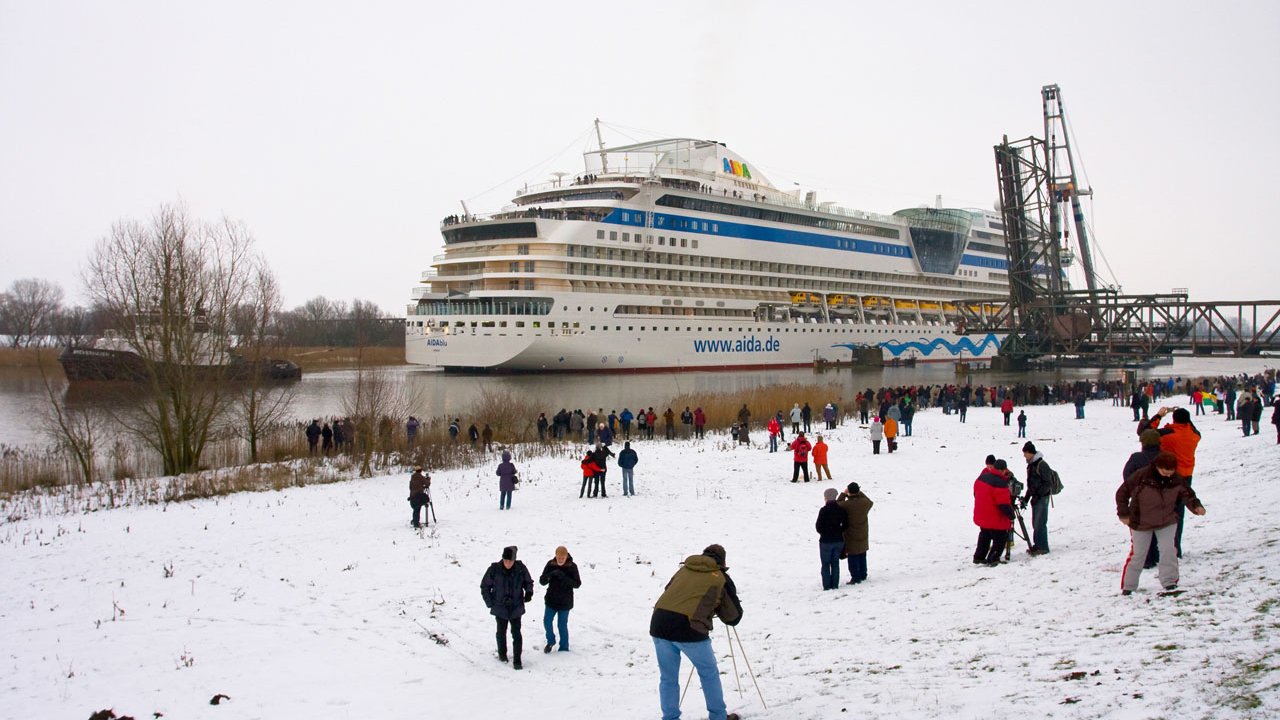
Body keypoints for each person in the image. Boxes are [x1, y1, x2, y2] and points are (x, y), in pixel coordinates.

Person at [649, 544, 743, 720]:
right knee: (708, 673)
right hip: (689, 627)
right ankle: (718, 716)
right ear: (722, 562)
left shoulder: (683, 570)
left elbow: (670, 591)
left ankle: (670, 717)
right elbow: (733, 616)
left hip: (659, 622)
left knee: (668, 677)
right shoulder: (720, 577)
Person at [1116, 452, 1207, 595]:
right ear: (1157, 467)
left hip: (1167, 521)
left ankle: (1170, 582)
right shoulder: (1141, 476)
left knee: (1168, 550)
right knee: (1139, 554)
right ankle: (1129, 586)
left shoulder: (1177, 479)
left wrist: (1196, 506)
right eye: (1165, 471)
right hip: (1141, 522)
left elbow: (1188, 494)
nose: (1167, 475)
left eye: (1170, 472)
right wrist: (1123, 514)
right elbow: (1122, 493)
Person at [1138, 407, 1201, 557]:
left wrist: (1159, 415)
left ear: (1174, 419)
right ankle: (1175, 548)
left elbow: (1146, 433)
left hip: (1169, 476)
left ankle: (1160, 550)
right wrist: (1183, 416)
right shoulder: (1195, 435)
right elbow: (1190, 425)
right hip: (1186, 477)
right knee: (1178, 513)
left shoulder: (1169, 434)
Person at [480, 546, 534, 670]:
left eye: (510, 561)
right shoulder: (494, 569)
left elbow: (528, 582)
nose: (508, 563)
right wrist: (490, 603)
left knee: (516, 634)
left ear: (514, 560)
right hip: (500, 607)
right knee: (501, 632)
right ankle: (502, 654)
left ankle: (517, 660)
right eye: (505, 560)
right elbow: (484, 586)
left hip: (516, 607)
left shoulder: (521, 568)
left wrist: (529, 592)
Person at [1124, 429, 1165, 569]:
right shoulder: (1166, 456)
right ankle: (1158, 555)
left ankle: (1147, 559)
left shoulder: (1136, 458)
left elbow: (1127, 476)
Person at [973, 458, 1015, 566]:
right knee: (1000, 537)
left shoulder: (982, 477)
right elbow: (1003, 504)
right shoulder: (1000, 483)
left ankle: (979, 557)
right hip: (994, 516)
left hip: (981, 513)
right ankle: (993, 558)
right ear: (1003, 470)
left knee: (984, 535)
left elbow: (975, 492)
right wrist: (1011, 515)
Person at [540, 546, 581, 653]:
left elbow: (577, 584)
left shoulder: (572, 567)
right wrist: (550, 575)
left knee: (562, 625)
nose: (560, 560)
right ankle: (551, 641)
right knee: (547, 621)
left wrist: (565, 578)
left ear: (566, 556)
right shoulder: (550, 564)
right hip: (551, 600)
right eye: (558, 558)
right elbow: (542, 581)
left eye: (562, 558)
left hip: (565, 602)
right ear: (555, 556)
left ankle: (563, 647)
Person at [1019, 441, 1054, 555]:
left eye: (1025, 453)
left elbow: (1047, 483)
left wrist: (1038, 495)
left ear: (1030, 452)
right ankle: (1038, 545)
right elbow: (1031, 484)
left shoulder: (1041, 464)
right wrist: (1027, 498)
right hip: (1036, 497)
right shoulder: (1031, 464)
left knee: (1040, 522)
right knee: (1036, 523)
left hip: (1042, 498)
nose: (1024, 456)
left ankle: (1042, 547)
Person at [837, 482, 873, 584]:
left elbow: (837, 503)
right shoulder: (864, 503)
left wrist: (844, 494)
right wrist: (859, 492)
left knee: (853, 556)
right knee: (862, 553)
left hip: (851, 533)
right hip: (863, 532)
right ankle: (863, 574)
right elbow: (870, 501)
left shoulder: (846, 504)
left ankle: (855, 577)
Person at [816, 488, 849, 590]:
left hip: (825, 541)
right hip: (838, 540)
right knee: (835, 563)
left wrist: (824, 533)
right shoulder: (841, 510)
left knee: (825, 564)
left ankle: (826, 586)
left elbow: (818, 527)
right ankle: (835, 585)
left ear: (826, 498)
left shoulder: (823, 510)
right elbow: (846, 525)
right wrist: (839, 531)